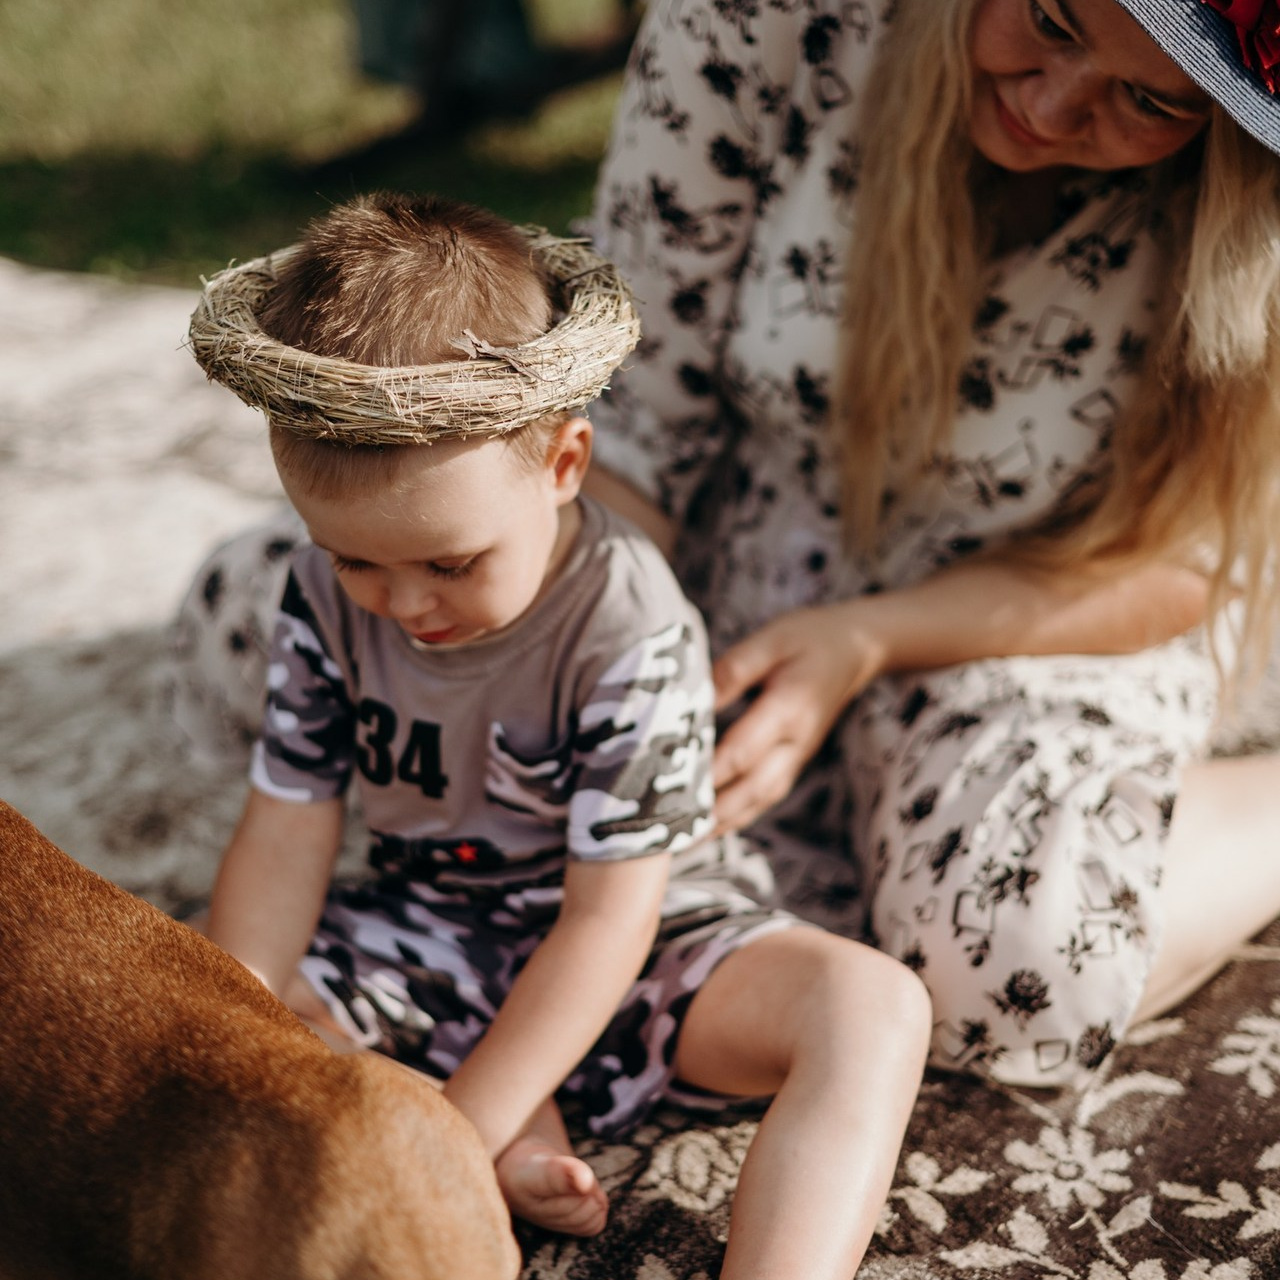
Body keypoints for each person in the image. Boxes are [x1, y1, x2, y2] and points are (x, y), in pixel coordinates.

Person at [192, 193, 930, 1276]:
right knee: (208, 992)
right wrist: (230, 1024)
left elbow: (607, 922)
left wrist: (449, 1141)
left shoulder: (628, 623)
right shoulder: (319, 592)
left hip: (640, 946)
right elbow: (289, 825)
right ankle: (515, 1118)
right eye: (356, 561)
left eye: (450, 563)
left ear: (565, 463)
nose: (404, 604)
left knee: (871, 1007)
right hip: (430, 930)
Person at [580, 0, 1280, 1087]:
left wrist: (864, 639)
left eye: (1150, 100)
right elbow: (629, 423)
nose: (1053, 105)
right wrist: (612, 671)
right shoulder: (759, 21)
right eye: (1050, 19)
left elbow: (1185, 559)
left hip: (1041, 610)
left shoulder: (1249, 211)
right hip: (713, 554)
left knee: (1014, 961)